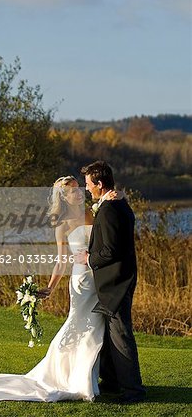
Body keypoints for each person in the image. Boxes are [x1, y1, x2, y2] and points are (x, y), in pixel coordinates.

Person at [0, 176, 115, 402]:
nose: (78, 193)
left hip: (99, 277)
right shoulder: (62, 225)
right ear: (64, 197)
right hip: (81, 282)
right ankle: (73, 379)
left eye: (79, 188)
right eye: (72, 191)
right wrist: (50, 287)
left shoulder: (92, 213)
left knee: (95, 330)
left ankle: (86, 378)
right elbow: (61, 261)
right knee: (80, 326)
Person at [75, 161, 146, 404]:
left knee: (121, 337)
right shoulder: (118, 204)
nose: (86, 189)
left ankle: (133, 391)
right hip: (116, 282)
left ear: (100, 184)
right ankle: (112, 380)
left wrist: (89, 258)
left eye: (88, 185)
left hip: (116, 284)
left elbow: (111, 251)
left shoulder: (110, 209)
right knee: (109, 335)